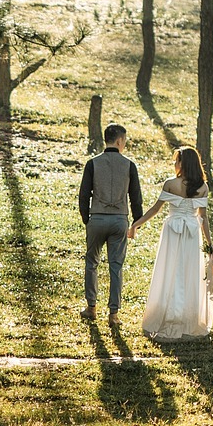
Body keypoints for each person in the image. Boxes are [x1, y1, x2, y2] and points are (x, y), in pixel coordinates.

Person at [131, 145, 213, 341]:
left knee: (171, 270)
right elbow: (203, 218)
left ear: (183, 163)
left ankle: (171, 314)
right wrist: (209, 243)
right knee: (187, 272)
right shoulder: (203, 187)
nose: (174, 163)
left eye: (177, 160)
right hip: (192, 232)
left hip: (173, 230)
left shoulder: (171, 183)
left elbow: (155, 209)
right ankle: (185, 316)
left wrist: (135, 225)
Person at [78, 123, 144, 322]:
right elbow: (136, 197)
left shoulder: (93, 163)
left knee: (91, 263)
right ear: (119, 141)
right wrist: (136, 223)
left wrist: (86, 218)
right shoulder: (129, 165)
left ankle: (91, 307)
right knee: (116, 266)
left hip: (97, 218)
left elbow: (83, 194)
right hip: (119, 220)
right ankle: (113, 314)